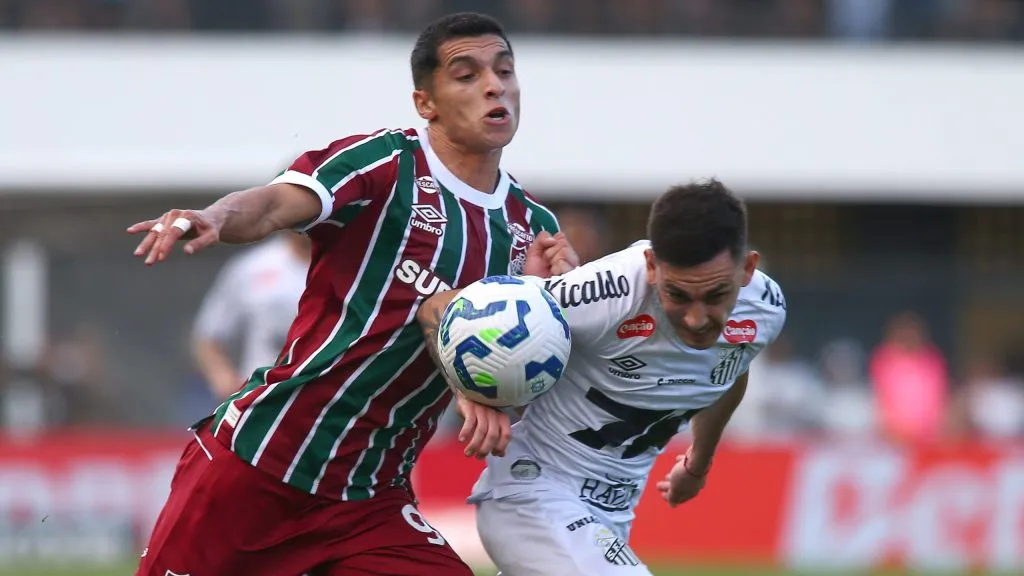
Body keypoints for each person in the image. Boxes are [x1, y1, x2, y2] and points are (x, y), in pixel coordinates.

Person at [127, 12, 577, 576]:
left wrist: (550, 296)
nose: (494, 85)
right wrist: (215, 216)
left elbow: (511, 374)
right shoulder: (385, 164)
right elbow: (273, 204)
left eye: (505, 70)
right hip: (258, 470)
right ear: (426, 102)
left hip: (369, 502)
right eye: (467, 75)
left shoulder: (529, 226)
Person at [417, 179, 788, 575]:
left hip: (610, 517)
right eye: (677, 295)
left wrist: (698, 463)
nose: (697, 319)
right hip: (533, 494)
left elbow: (730, 374)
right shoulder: (605, 292)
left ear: (747, 269)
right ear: (651, 266)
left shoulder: (765, 312)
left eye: (716, 296)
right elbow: (436, 309)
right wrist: (469, 389)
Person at [192, 231, 311, 400]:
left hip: (330, 401)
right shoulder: (252, 267)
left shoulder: (352, 269)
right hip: (262, 399)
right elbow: (208, 336)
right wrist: (224, 380)